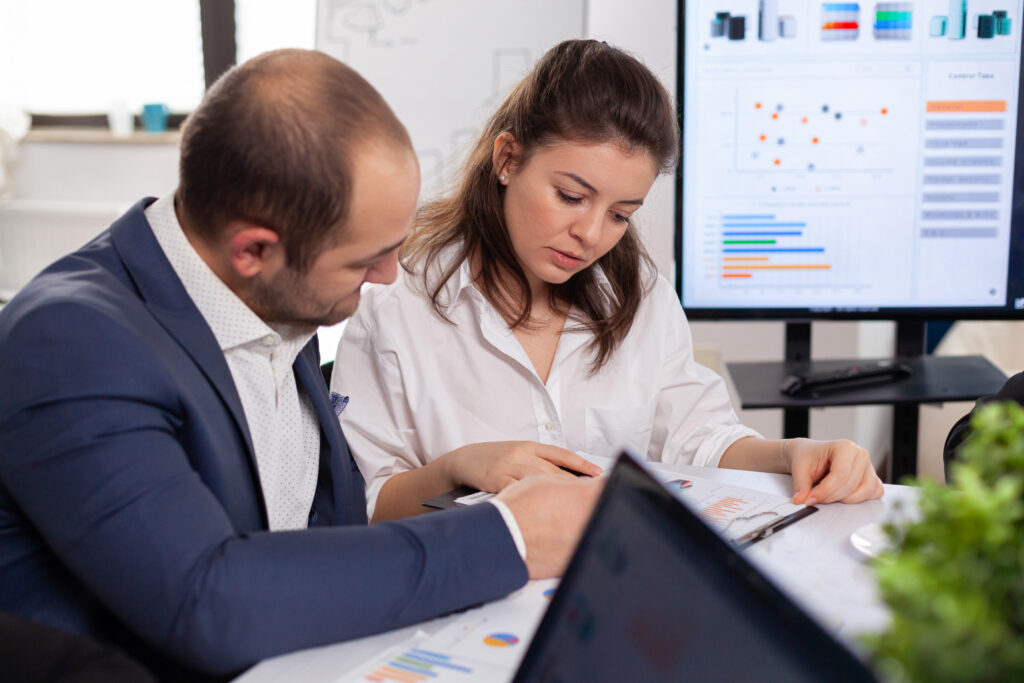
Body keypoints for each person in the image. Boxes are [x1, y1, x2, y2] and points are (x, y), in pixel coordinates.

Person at [0, 49, 600, 679]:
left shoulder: (276, 297)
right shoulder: (71, 343)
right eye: (363, 260)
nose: (387, 276)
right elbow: (210, 604)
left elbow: (315, 533)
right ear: (254, 250)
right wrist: (508, 538)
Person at [333, 39, 885, 523]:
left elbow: (699, 438)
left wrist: (794, 454)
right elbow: (364, 504)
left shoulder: (639, 294)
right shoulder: (394, 299)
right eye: (571, 197)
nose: (591, 235)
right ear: (507, 158)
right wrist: (456, 469)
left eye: (621, 214)